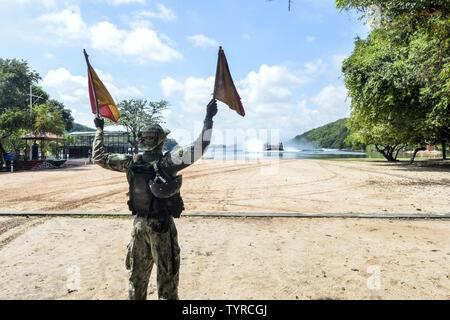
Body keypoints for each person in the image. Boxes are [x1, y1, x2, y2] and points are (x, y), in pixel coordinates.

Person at [92, 99, 218, 300]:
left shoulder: (130, 162)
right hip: (161, 226)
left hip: (138, 225)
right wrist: (208, 119)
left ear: (141, 140)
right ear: (161, 140)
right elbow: (200, 146)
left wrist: (100, 130)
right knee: (167, 279)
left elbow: (99, 157)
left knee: (137, 278)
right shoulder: (168, 162)